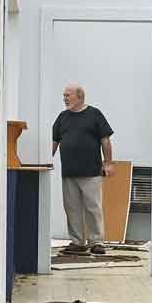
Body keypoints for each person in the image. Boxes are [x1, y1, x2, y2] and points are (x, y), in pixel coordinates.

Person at [52, 85, 115, 255]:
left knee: (93, 208)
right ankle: (77, 242)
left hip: (91, 172)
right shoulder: (62, 117)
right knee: (71, 208)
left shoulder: (94, 114)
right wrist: (45, 160)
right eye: (63, 95)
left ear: (80, 97)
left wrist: (108, 163)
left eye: (68, 95)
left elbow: (105, 140)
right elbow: (54, 141)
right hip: (69, 172)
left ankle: (97, 242)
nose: (64, 98)